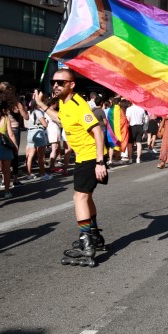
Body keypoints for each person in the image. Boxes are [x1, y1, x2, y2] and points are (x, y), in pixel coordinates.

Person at [35, 69, 108, 265]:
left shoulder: (79, 105)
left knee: (79, 197)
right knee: (86, 197)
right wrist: (42, 105)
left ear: (71, 85)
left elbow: (98, 132)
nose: (56, 85)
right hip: (83, 156)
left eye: (61, 82)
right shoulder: (65, 103)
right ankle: (93, 236)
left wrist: (100, 162)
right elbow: (60, 119)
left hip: (90, 155)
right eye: (54, 82)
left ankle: (86, 243)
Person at [0, 82, 28, 187]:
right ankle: (15, 179)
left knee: (4, 155)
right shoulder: (17, 104)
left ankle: (4, 179)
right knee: (14, 153)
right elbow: (26, 117)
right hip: (14, 129)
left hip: (3, 129)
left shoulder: (2, 103)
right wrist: (23, 107)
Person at [0, 99, 18, 199]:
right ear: (3, 109)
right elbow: (11, 134)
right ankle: (6, 191)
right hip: (5, 146)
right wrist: (15, 147)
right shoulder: (6, 118)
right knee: (6, 171)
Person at [25, 97, 52, 181]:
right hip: (38, 132)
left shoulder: (28, 112)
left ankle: (29, 174)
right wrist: (45, 122)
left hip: (30, 133)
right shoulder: (38, 112)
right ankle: (42, 174)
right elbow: (45, 125)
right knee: (41, 155)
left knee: (30, 155)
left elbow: (25, 125)